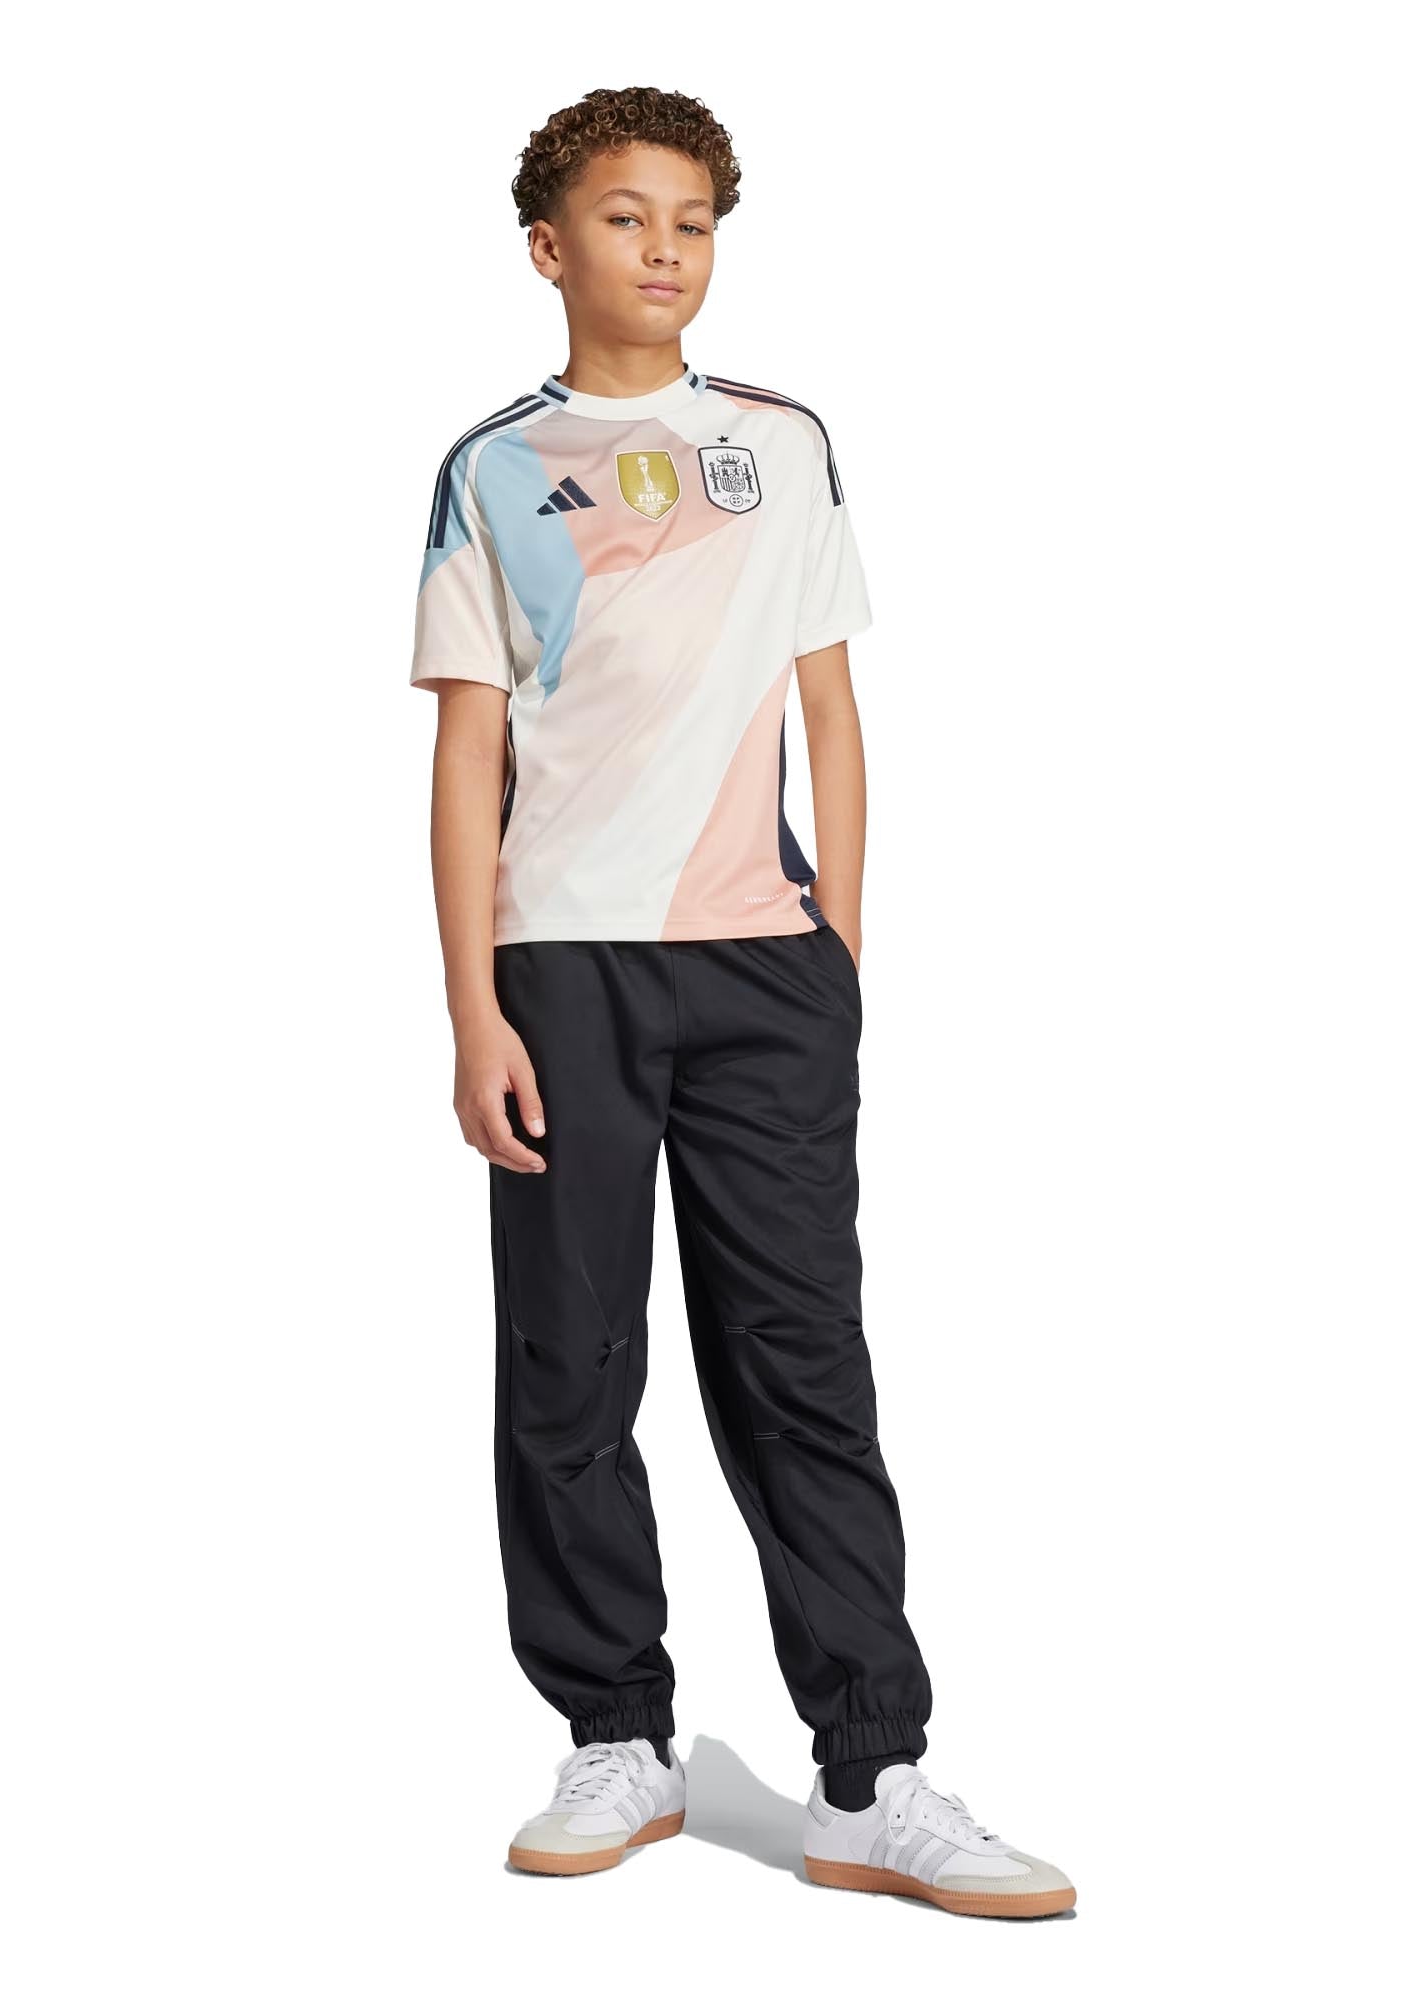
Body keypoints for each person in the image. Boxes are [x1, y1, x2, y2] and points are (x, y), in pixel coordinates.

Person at [408, 86, 1076, 1920]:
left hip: (763, 972)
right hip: (562, 965)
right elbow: (467, 759)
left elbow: (832, 714)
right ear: (549, 246)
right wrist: (472, 1011)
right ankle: (616, 1733)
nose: (665, 248)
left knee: (803, 1368)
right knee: (569, 1366)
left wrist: (835, 951)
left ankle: (870, 1774)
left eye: (693, 219)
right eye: (627, 217)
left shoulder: (780, 444)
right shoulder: (493, 469)